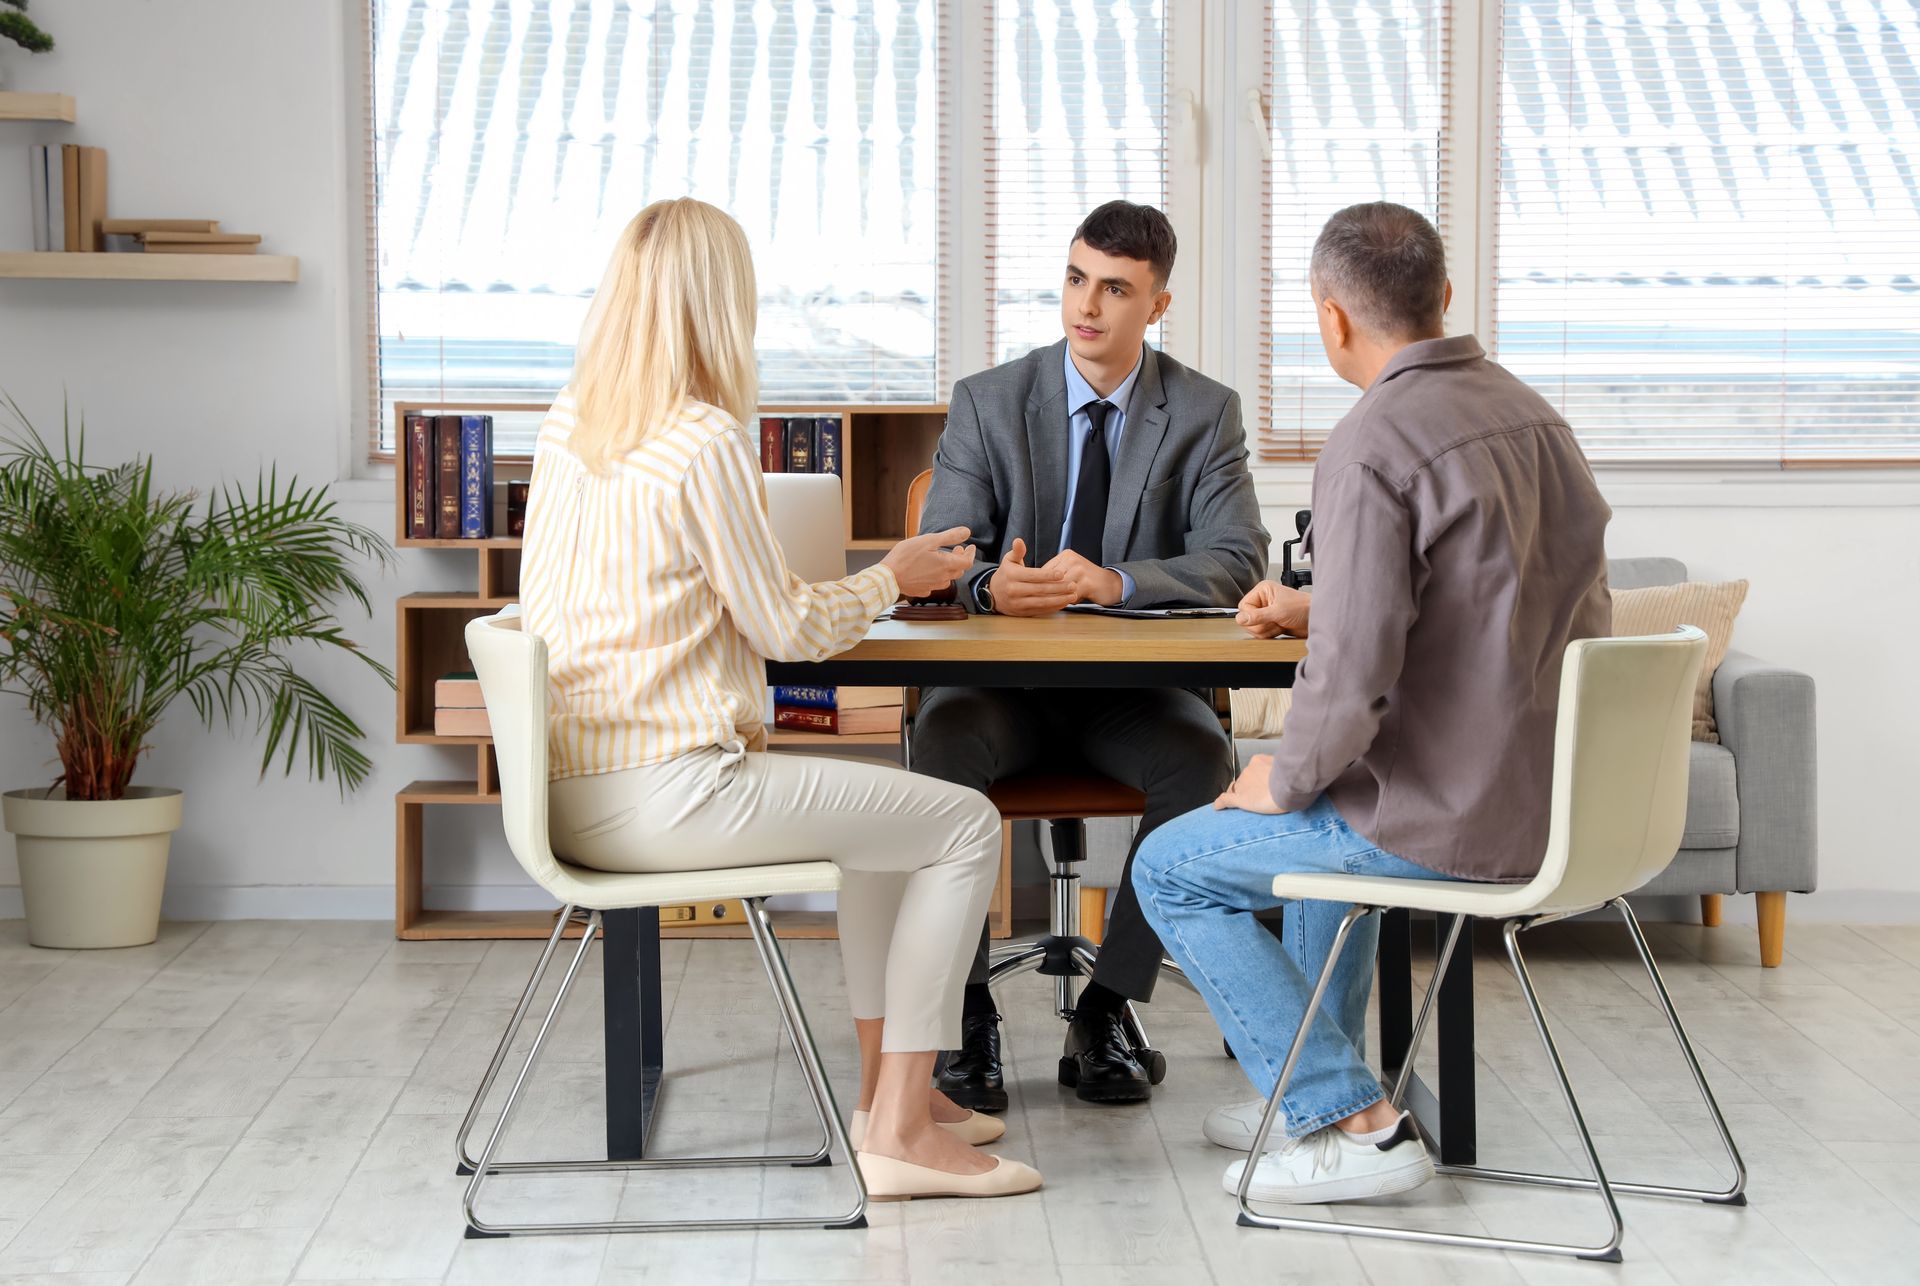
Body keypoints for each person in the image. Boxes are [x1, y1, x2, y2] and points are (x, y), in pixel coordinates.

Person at [517, 198, 1042, 1201]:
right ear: (722, 307)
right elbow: (790, 632)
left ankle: (894, 1095)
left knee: (889, 825)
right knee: (966, 823)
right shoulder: (702, 438)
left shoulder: (564, 426)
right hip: (670, 792)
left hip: (572, 793)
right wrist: (895, 575)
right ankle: (898, 1127)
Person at [1133, 201, 1611, 1204]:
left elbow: (1351, 683)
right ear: (1442, 298)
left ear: (1333, 321)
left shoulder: (1372, 441)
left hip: (1449, 822)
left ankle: (1353, 1116)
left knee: (1172, 864)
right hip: (1559, 806)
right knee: (1332, 815)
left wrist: (1281, 775)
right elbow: (1507, 604)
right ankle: (1307, 1084)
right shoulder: (1536, 416)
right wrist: (1328, 601)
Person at [913, 200, 1269, 1108]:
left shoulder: (1202, 413)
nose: (1089, 305)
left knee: (1199, 758)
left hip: (1130, 695)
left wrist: (1114, 582)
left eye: (1115, 289)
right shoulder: (991, 401)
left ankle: (1107, 1007)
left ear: (1158, 305)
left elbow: (1237, 561)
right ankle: (963, 1011)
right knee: (941, 743)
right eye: (1077, 279)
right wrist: (990, 585)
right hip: (1002, 695)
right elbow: (936, 558)